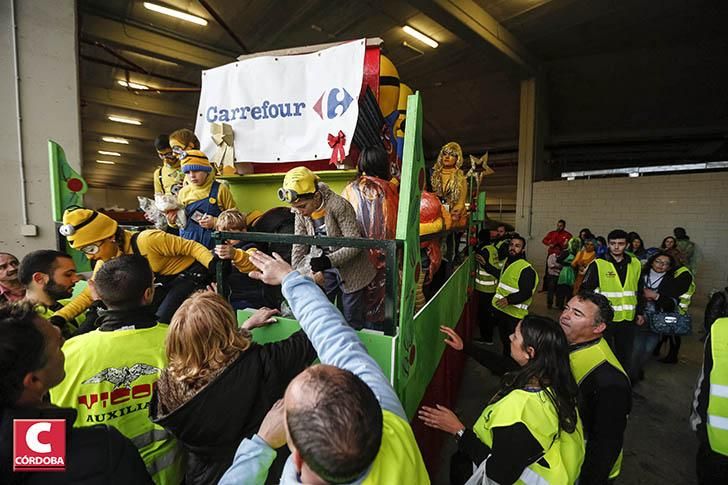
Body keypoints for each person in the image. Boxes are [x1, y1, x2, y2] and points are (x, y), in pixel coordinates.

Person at [218, 251, 429, 484]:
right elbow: (338, 341)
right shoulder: (392, 421)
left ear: (296, 459)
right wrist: (290, 278)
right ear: (372, 396)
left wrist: (260, 446)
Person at [150, 291, 317, 484]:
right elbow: (314, 334)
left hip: (204, 476)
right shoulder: (262, 365)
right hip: (261, 473)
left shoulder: (167, 387)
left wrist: (244, 329)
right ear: (227, 330)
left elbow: (214, 365)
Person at [49, 255, 183, 484]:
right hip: (167, 477)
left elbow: (40, 449)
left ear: (98, 296)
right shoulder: (178, 341)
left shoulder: (66, 352)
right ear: (148, 294)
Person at [0, 301, 153, 485]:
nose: (62, 338)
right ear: (34, 381)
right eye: (58, 347)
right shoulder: (100, 453)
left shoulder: (18, 445)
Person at [419, 315, 584, 485]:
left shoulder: (519, 413)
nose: (510, 337)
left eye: (516, 336)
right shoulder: (552, 377)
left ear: (530, 352)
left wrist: (458, 430)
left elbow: (498, 472)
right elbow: (502, 366)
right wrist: (465, 347)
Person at [53, 207, 232, 325]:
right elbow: (89, 294)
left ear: (111, 238)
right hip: (160, 285)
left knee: (161, 321)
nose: (91, 255)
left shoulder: (148, 240)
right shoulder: (106, 262)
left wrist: (212, 263)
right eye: (84, 251)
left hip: (188, 276)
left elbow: (190, 246)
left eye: (91, 248)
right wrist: (60, 317)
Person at [281, 166, 376, 330]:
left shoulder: (339, 206)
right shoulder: (299, 211)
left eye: (303, 207)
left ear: (316, 197)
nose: (299, 212)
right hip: (323, 267)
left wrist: (328, 261)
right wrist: (295, 273)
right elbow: (299, 242)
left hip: (352, 269)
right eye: (296, 208)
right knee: (321, 310)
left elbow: (355, 243)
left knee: (351, 318)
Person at [560, 291, 632, 484]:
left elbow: (606, 444)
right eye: (567, 308)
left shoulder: (609, 380)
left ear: (599, 327)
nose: (565, 315)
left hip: (584, 471)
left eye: (577, 314)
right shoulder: (569, 344)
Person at [341, 146, 400, 327]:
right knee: (382, 312)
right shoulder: (391, 190)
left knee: (356, 310)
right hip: (387, 261)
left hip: (356, 261)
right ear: (384, 164)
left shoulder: (350, 189)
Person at [581, 229, 642, 378]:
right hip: (606, 319)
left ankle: (622, 380)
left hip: (628, 319)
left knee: (625, 354)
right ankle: (605, 380)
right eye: (613, 243)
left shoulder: (635, 264)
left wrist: (640, 312)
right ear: (608, 244)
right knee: (604, 352)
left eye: (620, 244)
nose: (616, 247)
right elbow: (585, 292)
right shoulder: (598, 264)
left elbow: (639, 290)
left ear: (627, 245)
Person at [167, 150, 237, 249]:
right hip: (188, 249)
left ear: (206, 170)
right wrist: (172, 221)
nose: (192, 176)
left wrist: (216, 222)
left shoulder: (220, 190)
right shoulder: (183, 193)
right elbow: (180, 223)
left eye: (196, 170)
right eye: (187, 172)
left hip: (214, 249)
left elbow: (236, 220)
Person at [637, 251, 695, 366]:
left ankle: (637, 369)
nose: (661, 265)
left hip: (658, 320)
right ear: (652, 262)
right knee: (636, 349)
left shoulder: (672, 280)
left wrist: (656, 296)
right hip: (639, 318)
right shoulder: (640, 275)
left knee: (648, 349)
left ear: (669, 266)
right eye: (658, 261)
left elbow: (671, 303)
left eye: (665, 263)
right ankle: (632, 372)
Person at [213, 208, 275, 310]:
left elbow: (252, 263)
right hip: (229, 297)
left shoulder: (251, 247)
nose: (227, 240)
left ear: (243, 231)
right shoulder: (219, 250)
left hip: (251, 299)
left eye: (230, 234)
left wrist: (235, 255)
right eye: (223, 236)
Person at [691, 316, 728, 484]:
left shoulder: (721, 329)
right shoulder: (720, 330)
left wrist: (697, 421)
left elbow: (704, 384)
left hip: (716, 442)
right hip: (715, 442)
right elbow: (706, 382)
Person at [492, 235, 538, 357]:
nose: (513, 248)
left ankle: (511, 369)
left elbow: (526, 292)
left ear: (523, 250)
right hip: (504, 312)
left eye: (517, 246)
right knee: (506, 343)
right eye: (511, 245)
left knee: (514, 346)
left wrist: (509, 299)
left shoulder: (526, 269)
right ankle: (506, 365)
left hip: (515, 316)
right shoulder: (508, 263)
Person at [19, 250, 82, 337]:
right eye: (68, 274)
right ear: (39, 278)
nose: (76, 279)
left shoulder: (70, 304)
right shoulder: (23, 319)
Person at [474, 228, 501, 342]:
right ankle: (489, 335)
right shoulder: (493, 248)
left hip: (485, 288)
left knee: (484, 315)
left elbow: (486, 265)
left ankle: (486, 338)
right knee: (489, 313)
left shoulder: (483, 250)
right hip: (492, 286)